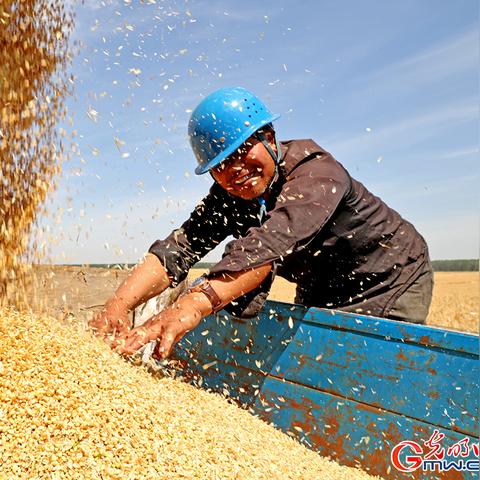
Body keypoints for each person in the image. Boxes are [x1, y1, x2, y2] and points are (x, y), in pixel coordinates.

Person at [89, 86, 433, 358]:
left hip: (388, 278)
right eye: (221, 163)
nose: (235, 169)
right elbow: (180, 248)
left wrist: (192, 304)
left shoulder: (317, 175)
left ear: (269, 137)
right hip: (321, 282)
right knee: (315, 363)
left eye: (243, 150)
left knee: (367, 368)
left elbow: (266, 249)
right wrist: (118, 307)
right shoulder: (230, 194)